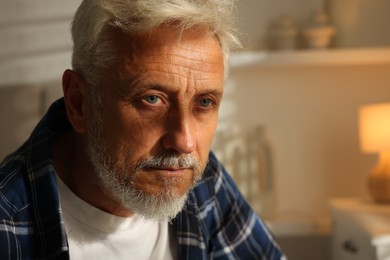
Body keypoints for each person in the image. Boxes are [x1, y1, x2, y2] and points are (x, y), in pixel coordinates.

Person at [0, 0, 284, 259]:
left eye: (205, 102)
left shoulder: (202, 182)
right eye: (152, 99)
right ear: (79, 103)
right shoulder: (8, 224)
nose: (184, 142)